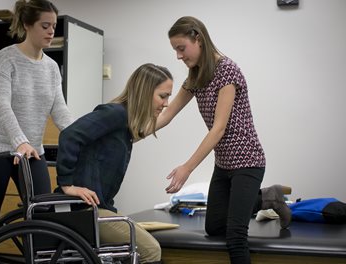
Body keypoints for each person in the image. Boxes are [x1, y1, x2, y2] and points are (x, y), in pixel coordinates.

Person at [154, 16, 292, 264]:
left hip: (248, 161)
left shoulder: (227, 70)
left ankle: (266, 198)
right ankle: (268, 198)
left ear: (198, 38)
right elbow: (168, 113)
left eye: (181, 48)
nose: (178, 56)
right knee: (214, 227)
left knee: (235, 236)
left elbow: (218, 129)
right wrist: (134, 130)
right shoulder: (195, 76)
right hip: (224, 163)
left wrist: (187, 167)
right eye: (175, 50)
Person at [0, 0, 73, 252]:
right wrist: (20, 141)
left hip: (29, 150)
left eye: (54, 26)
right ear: (27, 25)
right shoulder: (5, 58)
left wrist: (81, 137)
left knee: (42, 211)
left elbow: (59, 110)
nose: (51, 31)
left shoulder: (51, 68)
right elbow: (1, 105)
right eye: (45, 25)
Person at [56, 63, 173, 264]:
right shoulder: (115, 113)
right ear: (145, 93)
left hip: (98, 208)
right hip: (83, 212)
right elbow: (70, 135)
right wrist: (67, 185)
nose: (166, 103)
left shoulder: (126, 124)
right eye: (163, 96)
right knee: (151, 250)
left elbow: (161, 120)